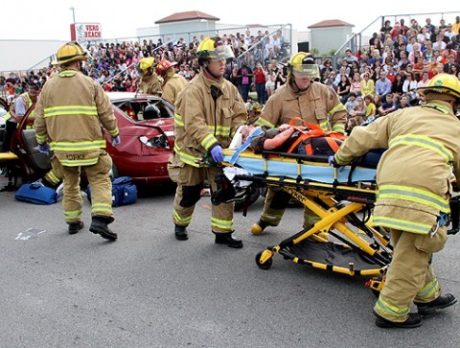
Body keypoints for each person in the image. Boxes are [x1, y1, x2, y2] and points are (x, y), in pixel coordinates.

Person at [331, 73, 460, 328]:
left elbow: (360, 137)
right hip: (424, 199)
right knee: (413, 253)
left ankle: (428, 296)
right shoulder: (456, 128)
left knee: (409, 249)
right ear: (454, 103)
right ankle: (392, 311)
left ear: (424, 95)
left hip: (388, 192)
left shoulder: (401, 115)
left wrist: (339, 159)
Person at [252, 52, 346, 235]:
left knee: (319, 190)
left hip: (319, 153)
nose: (307, 77)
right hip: (291, 156)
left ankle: (313, 231)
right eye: (302, 72)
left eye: (310, 72)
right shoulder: (278, 97)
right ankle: (266, 220)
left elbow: (339, 113)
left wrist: (338, 134)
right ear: (291, 74)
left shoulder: (322, 90)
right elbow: (262, 128)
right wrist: (275, 135)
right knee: (279, 189)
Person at [34, 42, 120, 241]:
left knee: (70, 183)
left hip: (62, 151)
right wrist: (114, 131)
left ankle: (73, 222)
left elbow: (40, 119)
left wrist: (41, 140)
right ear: (78, 62)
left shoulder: (48, 87)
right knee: (99, 179)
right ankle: (100, 219)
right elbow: (106, 112)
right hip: (90, 147)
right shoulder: (90, 83)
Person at [168, 37, 247, 247]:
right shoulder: (191, 91)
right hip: (194, 153)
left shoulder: (229, 88)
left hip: (221, 153)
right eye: (217, 59)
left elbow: (240, 115)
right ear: (204, 62)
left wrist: (239, 135)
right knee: (189, 193)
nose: (223, 63)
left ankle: (223, 233)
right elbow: (194, 123)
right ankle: (180, 223)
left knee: (224, 191)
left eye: (224, 59)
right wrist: (211, 144)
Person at [1, 83, 40, 151]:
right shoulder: (22, 99)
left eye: (36, 89)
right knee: (10, 147)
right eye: (31, 88)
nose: (33, 90)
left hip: (29, 125)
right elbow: (20, 119)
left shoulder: (41, 98)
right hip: (14, 124)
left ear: (40, 90)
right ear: (28, 89)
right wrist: (39, 119)